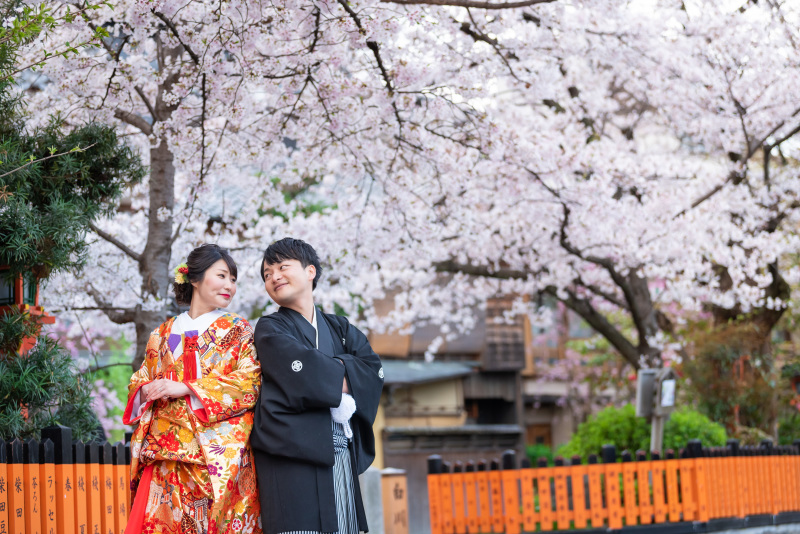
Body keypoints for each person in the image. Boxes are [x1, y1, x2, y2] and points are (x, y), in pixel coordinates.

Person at [123, 244, 262, 534]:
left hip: (212, 456)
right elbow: (140, 378)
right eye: (222, 276)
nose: (229, 286)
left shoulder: (237, 329)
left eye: (233, 280)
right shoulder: (161, 333)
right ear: (194, 279)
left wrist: (185, 387)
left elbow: (249, 382)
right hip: (163, 454)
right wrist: (148, 389)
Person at [250, 238, 384, 534]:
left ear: (310, 271)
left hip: (338, 454)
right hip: (289, 457)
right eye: (267, 274)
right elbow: (305, 373)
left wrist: (328, 373)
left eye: (282, 267)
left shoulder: (340, 327)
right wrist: (345, 369)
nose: (274, 277)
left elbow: (373, 370)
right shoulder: (271, 328)